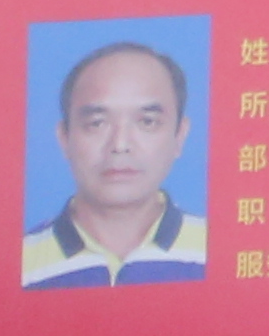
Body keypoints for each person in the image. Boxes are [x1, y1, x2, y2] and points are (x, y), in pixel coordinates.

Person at [21, 39, 206, 287]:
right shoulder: (22, 262)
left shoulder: (216, 251)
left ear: (179, 136)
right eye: (97, 123)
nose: (120, 144)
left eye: (147, 122)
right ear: (64, 138)